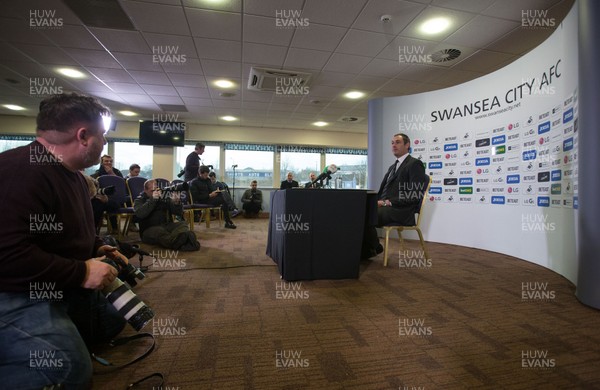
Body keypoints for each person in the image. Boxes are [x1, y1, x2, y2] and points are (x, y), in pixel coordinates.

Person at [0, 93, 131, 388]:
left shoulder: (69, 174)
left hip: (54, 283)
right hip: (14, 292)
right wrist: (82, 272)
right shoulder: (21, 171)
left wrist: (97, 245)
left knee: (112, 319)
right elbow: (7, 255)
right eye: (104, 136)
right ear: (83, 135)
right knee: (66, 367)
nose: (105, 143)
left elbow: (65, 230)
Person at [362, 133, 429, 258]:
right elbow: (383, 192)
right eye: (392, 143)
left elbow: (414, 195)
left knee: (365, 215)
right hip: (386, 207)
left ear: (407, 145)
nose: (394, 145)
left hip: (401, 210)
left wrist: (386, 202)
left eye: (397, 142)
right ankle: (367, 250)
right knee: (360, 212)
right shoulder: (392, 167)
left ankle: (374, 247)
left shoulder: (415, 164)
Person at [133, 179, 200, 251]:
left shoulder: (164, 198)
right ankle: (185, 241)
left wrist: (176, 203)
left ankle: (178, 240)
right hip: (148, 230)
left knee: (182, 224)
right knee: (159, 231)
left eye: (157, 190)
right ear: (145, 190)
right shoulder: (139, 200)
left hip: (166, 226)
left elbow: (178, 213)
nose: (155, 192)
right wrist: (153, 199)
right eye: (152, 191)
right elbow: (140, 214)